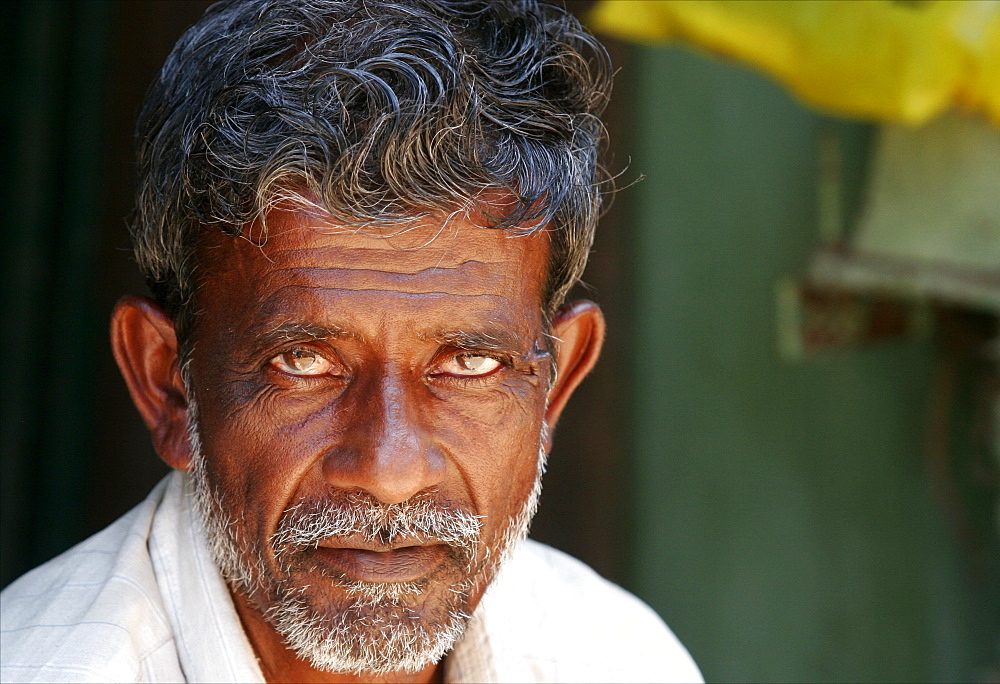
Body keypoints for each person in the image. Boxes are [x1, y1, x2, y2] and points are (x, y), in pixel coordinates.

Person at [0, 1, 702, 682]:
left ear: (556, 381)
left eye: (471, 362)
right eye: (302, 362)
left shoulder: (619, 658)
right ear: (169, 384)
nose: (388, 470)